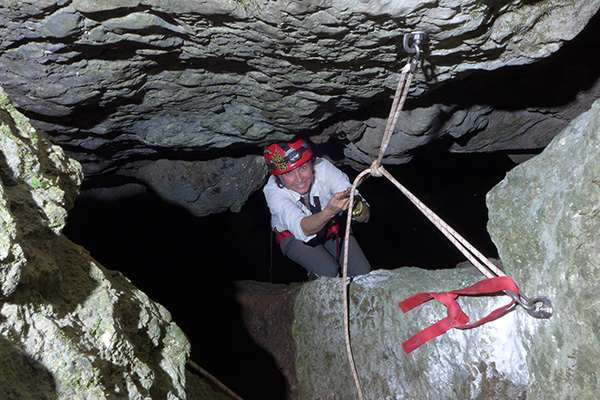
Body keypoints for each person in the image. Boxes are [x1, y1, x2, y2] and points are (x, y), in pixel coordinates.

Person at [263, 138, 371, 280]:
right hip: (293, 236)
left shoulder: (324, 169)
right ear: (278, 177)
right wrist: (329, 211)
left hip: (330, 226)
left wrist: (355, 205)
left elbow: (365, 216)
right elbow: (303, 229)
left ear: (312, 164)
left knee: (362, 271)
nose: (299, 179)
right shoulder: (273, 191)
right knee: (327, 271)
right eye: (289, 173)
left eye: (303, 168)